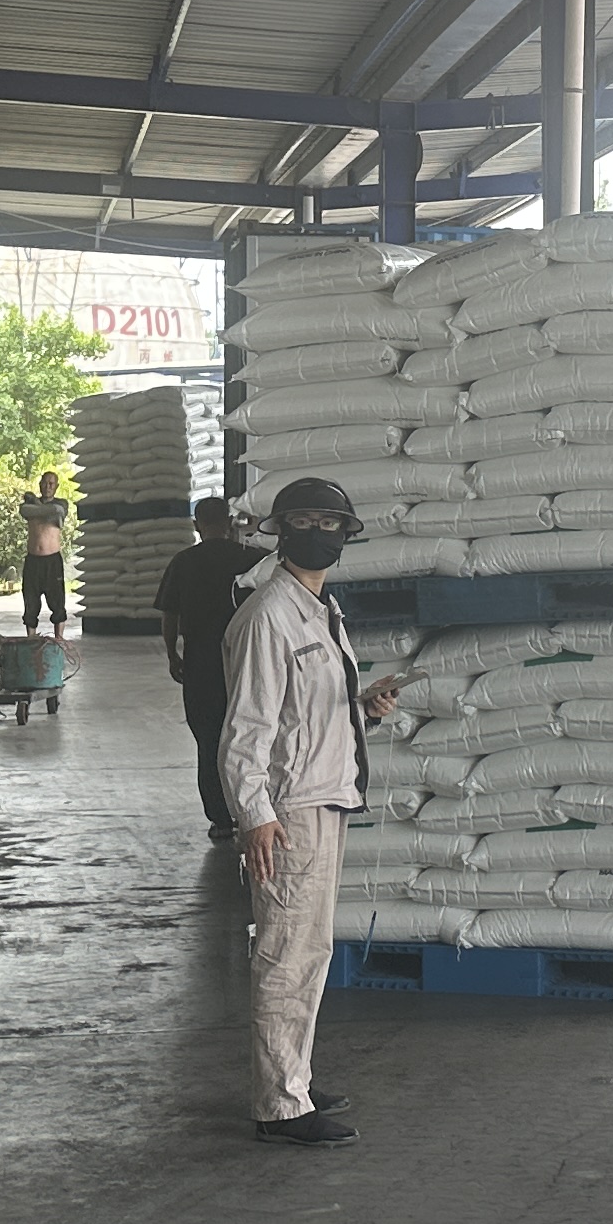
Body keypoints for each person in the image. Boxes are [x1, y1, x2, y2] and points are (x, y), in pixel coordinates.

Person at [220, 476, 405, 1149]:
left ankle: (291, 1077)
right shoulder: (268, 615)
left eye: (331, 524)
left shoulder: (322, 610)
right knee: (287, 954)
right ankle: (280, 1106)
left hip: (322, 797)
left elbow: (302, 717)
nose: (319, 534)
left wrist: (362, 711)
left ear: (346, 534)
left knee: (309, 951)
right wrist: (254, 816)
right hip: (287, 814)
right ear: (281, 531)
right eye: (304, 522)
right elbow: (246, 730)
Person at [154, 493, 267, 847]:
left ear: (196, 525)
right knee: (252, 735)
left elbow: (170, 614)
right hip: (247, 661)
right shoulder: (252, 559)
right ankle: (253, 813)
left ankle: (220, 819)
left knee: (208, 740)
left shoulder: (184, 562)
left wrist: (172, 654)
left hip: (201, 662)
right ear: (229, 523)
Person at [16, 467, 69, 637]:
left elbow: (57, 512)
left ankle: (59, 640)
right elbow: (24, 511)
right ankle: (31, 639)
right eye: (45, 483)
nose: (48, 486)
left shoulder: (61, 504)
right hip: (33, 561)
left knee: (57, 602)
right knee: (30, 602)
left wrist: (37, 505)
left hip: (52, 561)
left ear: (57, 486)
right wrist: (40, 508)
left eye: (51, 484)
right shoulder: (28, 507)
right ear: (40, 484)